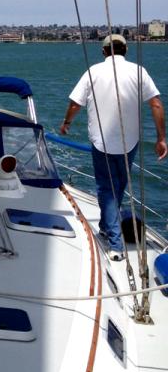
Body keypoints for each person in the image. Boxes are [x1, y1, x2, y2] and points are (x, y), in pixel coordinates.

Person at [60, 35, 166, 260]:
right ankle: (107, 227)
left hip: (102, 141)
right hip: (130, 141)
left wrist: (67, 123)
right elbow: (156, 103)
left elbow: (75, 103)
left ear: (104, 51)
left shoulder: (94, 71)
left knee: (107, 189)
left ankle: (115, 244)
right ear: (125, 50)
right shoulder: (139, 71)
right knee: (117, 186)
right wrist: (161, 138)